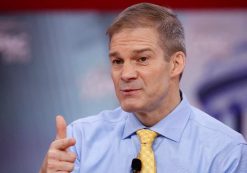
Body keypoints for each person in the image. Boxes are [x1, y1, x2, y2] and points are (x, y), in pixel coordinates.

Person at [39, 3, 247, 173]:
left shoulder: (227, 151)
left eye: (142, 59)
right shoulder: (80, 139)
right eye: (117, 61)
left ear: (176, 64)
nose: (126, 74)